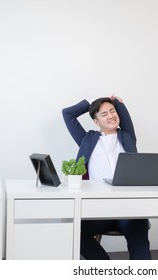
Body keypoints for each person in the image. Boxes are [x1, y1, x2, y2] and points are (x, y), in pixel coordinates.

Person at [62, 95, 151, 260]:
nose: (111, 116)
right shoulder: (87, 140)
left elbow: (121, 115)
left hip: (129, 208)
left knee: (139, 239)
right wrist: (91, 102)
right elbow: (67, 114)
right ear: (96, 122)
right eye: (104, 114)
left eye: (112, 111)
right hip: (100, 210)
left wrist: (116, 103)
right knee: (74, 230)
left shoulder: (127, 137)